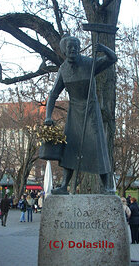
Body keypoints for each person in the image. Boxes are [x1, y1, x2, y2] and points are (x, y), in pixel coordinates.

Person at [44, 35, 117, 195]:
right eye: (70, 47)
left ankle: (107, 186)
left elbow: (112, 58)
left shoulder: (89, 63)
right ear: (64, 50)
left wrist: (103, 49)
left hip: (91, 110)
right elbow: (53, 94)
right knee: (70, 149)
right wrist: (48, 117)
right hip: (74, 112)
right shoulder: (63, 70)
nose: (73, 49)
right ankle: (64, 185)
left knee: (98, 147)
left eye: (76, 47)